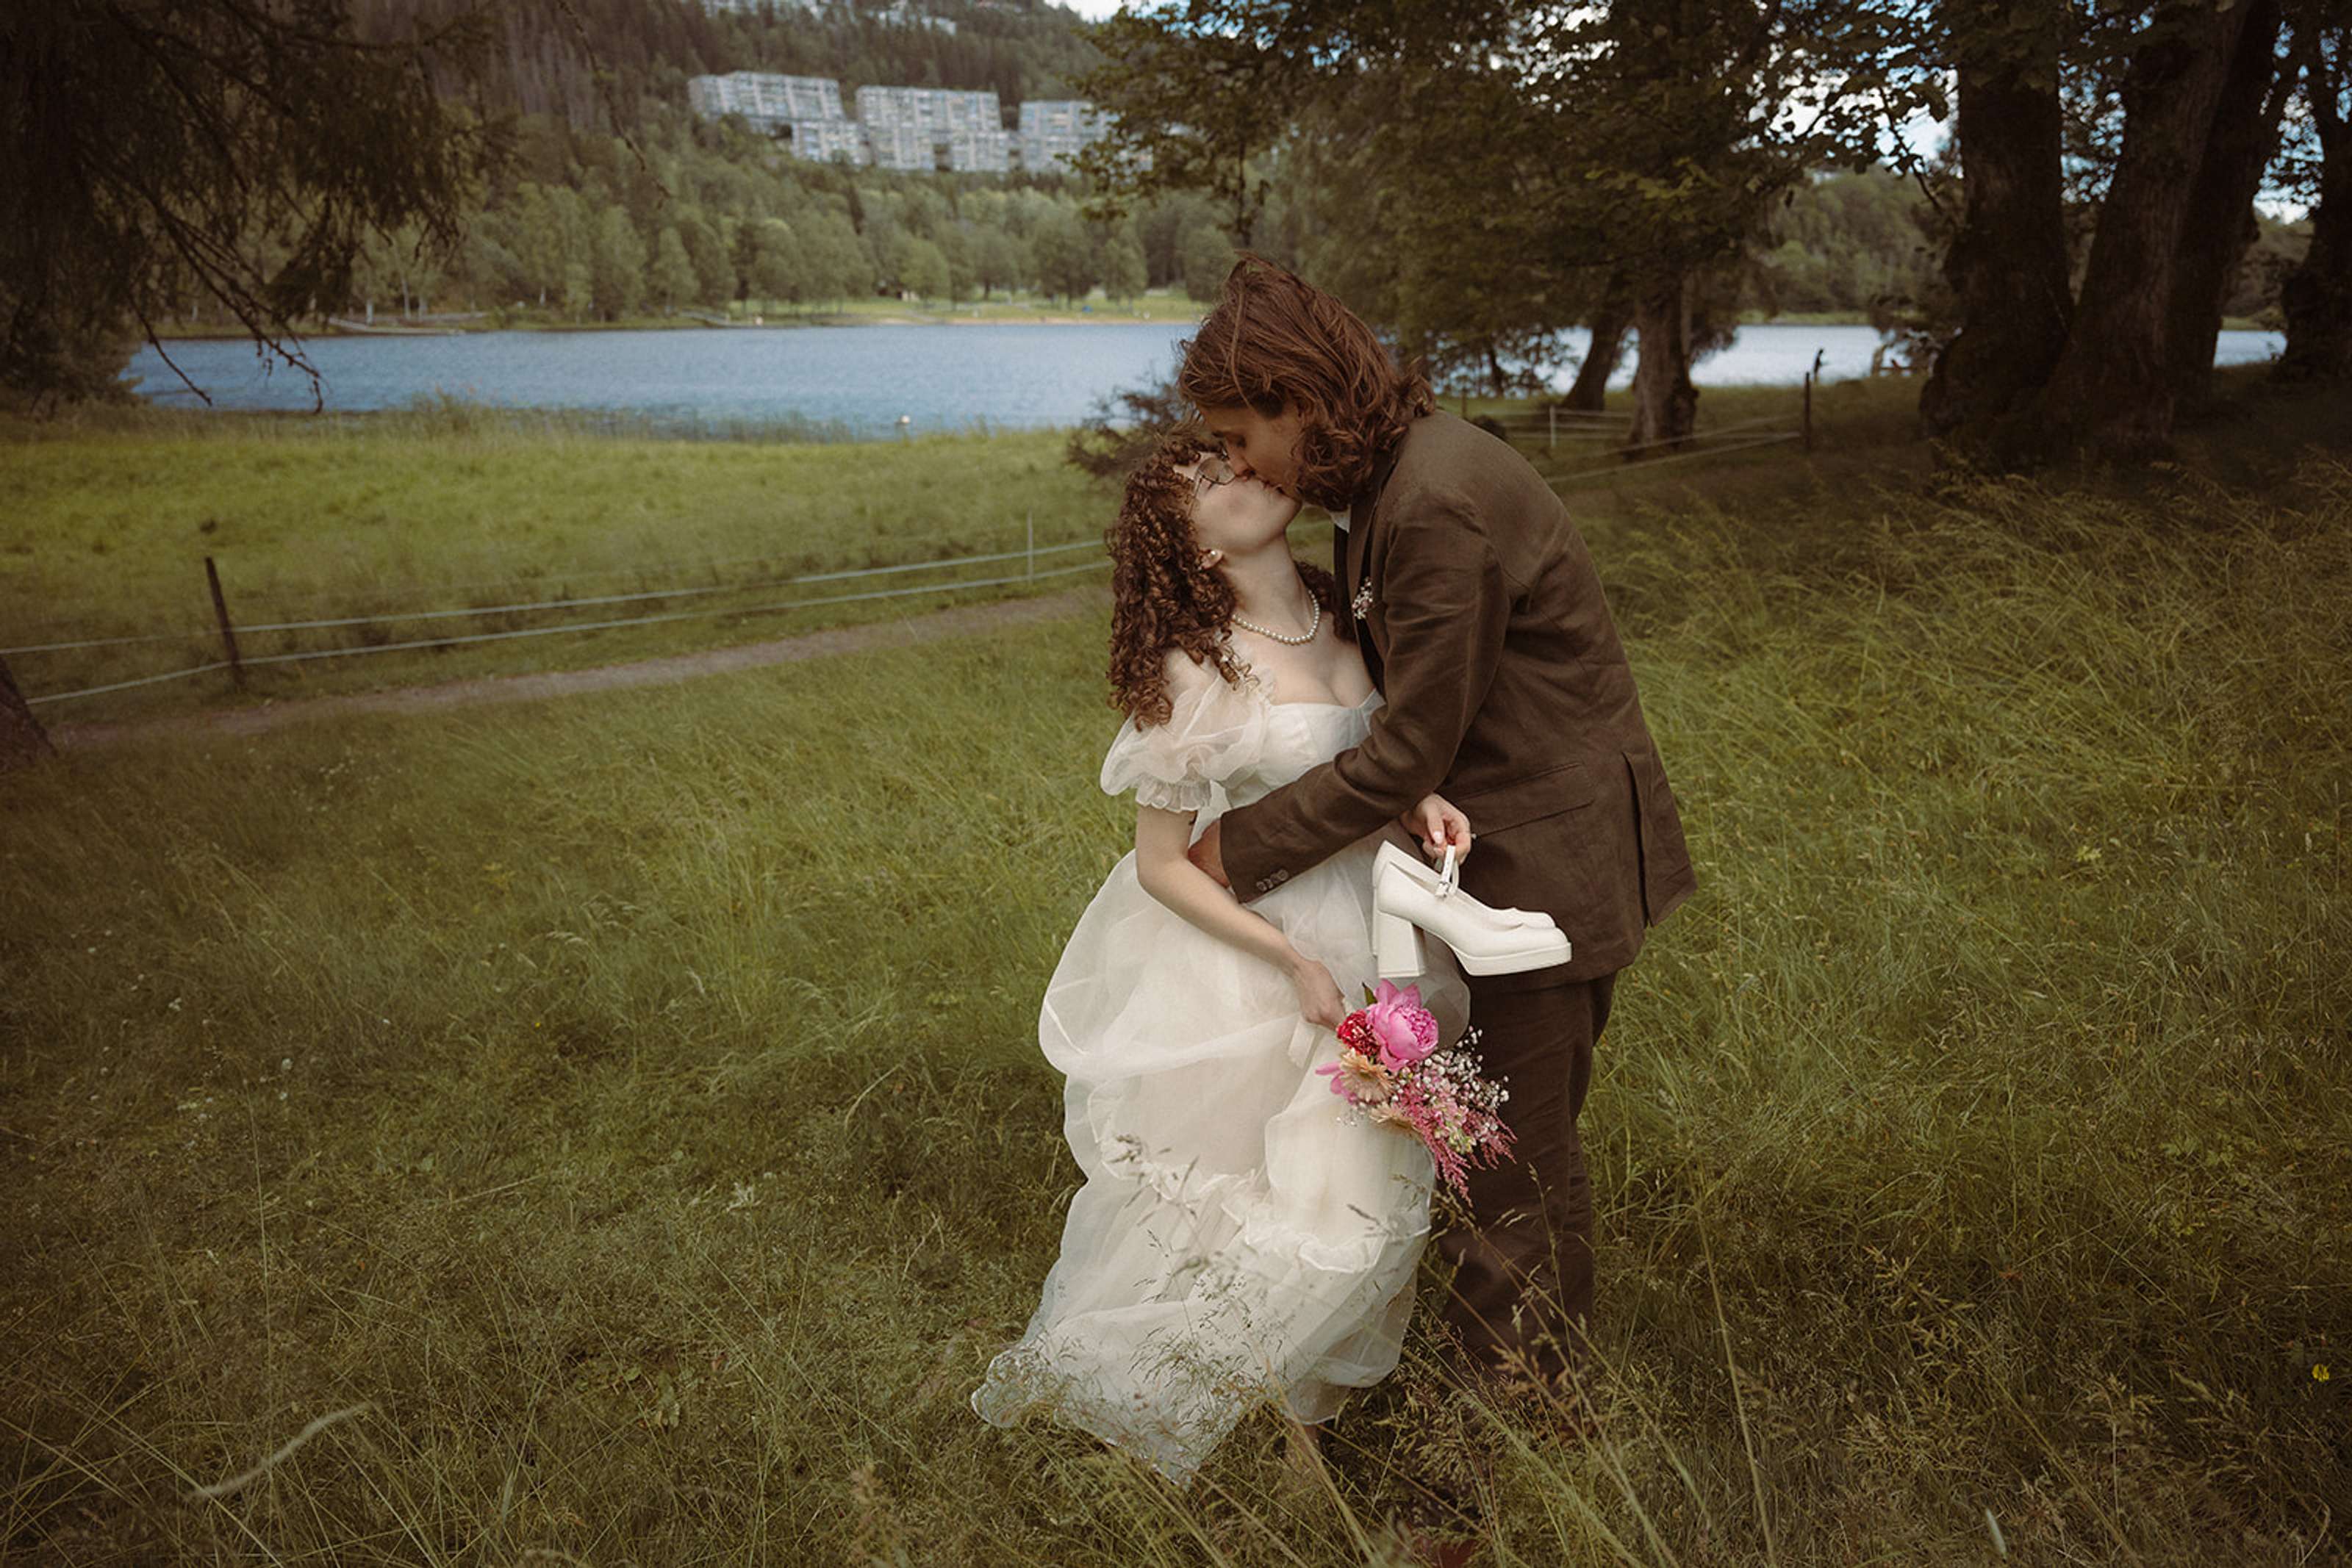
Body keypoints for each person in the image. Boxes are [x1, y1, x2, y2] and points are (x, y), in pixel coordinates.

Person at [1178, 255, 1697, 1402]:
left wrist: (1235, 850)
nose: (1242, 461)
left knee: (1516, 1174)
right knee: (1476, 1147)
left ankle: (1506, 1446)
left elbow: (1409, 749)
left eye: (1243, 433)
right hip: (1480, 865)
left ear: (1295, 399)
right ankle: (1504, 1402)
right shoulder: (1391, 482)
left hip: (1544, 869)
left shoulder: (1435, 500)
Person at [967, 430, 1480, 1486]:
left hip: (1377, 931)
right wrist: (1286, 959)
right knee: (1246, 1188)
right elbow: (1161, 864)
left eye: (1233, 463)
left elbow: (1366, 771)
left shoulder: (1343, 617)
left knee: (1360, 1179)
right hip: (1249, 949)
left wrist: (1415, 799)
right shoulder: (1195, 665)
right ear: (1189, 545)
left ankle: (1309, 1442)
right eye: (1207, 485)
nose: (1239, 480)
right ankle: (1157, 1400)